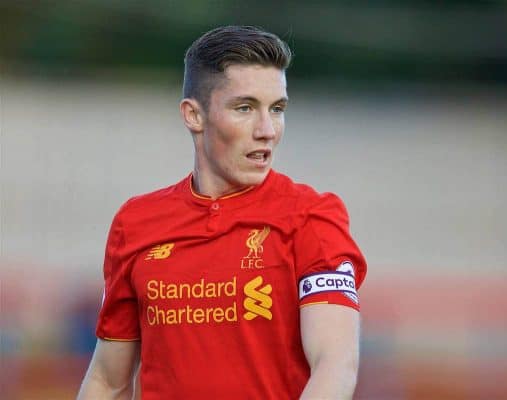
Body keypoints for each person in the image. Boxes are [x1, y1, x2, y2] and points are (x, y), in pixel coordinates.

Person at [77, 25, 367, 400]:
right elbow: (107, 380)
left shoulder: (311, 216)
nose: (267, 130)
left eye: (277, 109)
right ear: (194, 115)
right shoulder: (136, 224)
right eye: (244, 108)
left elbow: (336, 366)